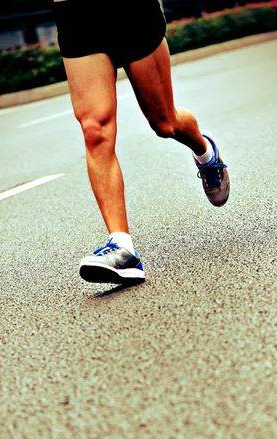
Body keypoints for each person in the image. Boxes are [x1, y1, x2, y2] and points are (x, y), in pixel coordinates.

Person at [52, 0, 230, 285]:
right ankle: (122, 248)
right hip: (76, 12)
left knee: (165, 123)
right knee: (94, 129)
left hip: (131, 8)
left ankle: (205, 151)